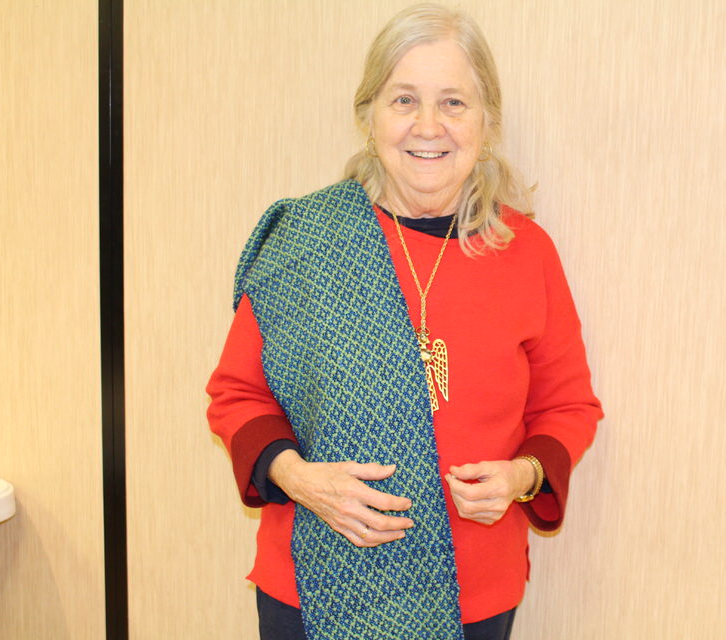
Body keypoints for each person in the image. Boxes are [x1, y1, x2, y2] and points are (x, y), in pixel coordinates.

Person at [206, 4, 602, 639]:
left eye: (453, 103)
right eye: (404, 100)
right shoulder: (305, 242)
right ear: (370, 115)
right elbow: (236, 394)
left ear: (487, 122)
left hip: (473, 593)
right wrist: (297, 477)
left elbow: (568, 407)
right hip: (313, 583)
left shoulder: (526, 252)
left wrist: (522, 477)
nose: (428, 126)